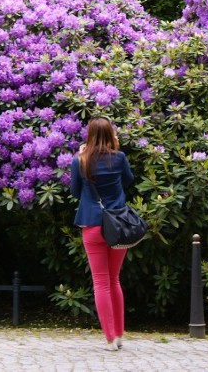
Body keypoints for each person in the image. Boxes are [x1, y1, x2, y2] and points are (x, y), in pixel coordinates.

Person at [70, 117, 134, 351]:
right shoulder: (119, 158)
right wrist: (115, 150)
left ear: (88, 135)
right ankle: (118, 335)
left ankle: (109, 339)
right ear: (111, 135)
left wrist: (80, 157)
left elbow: (75, 192)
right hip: (118, 225)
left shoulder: (80, 160)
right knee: (114, 279)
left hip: (93, 224)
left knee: (100, 282)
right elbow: (129, 180)